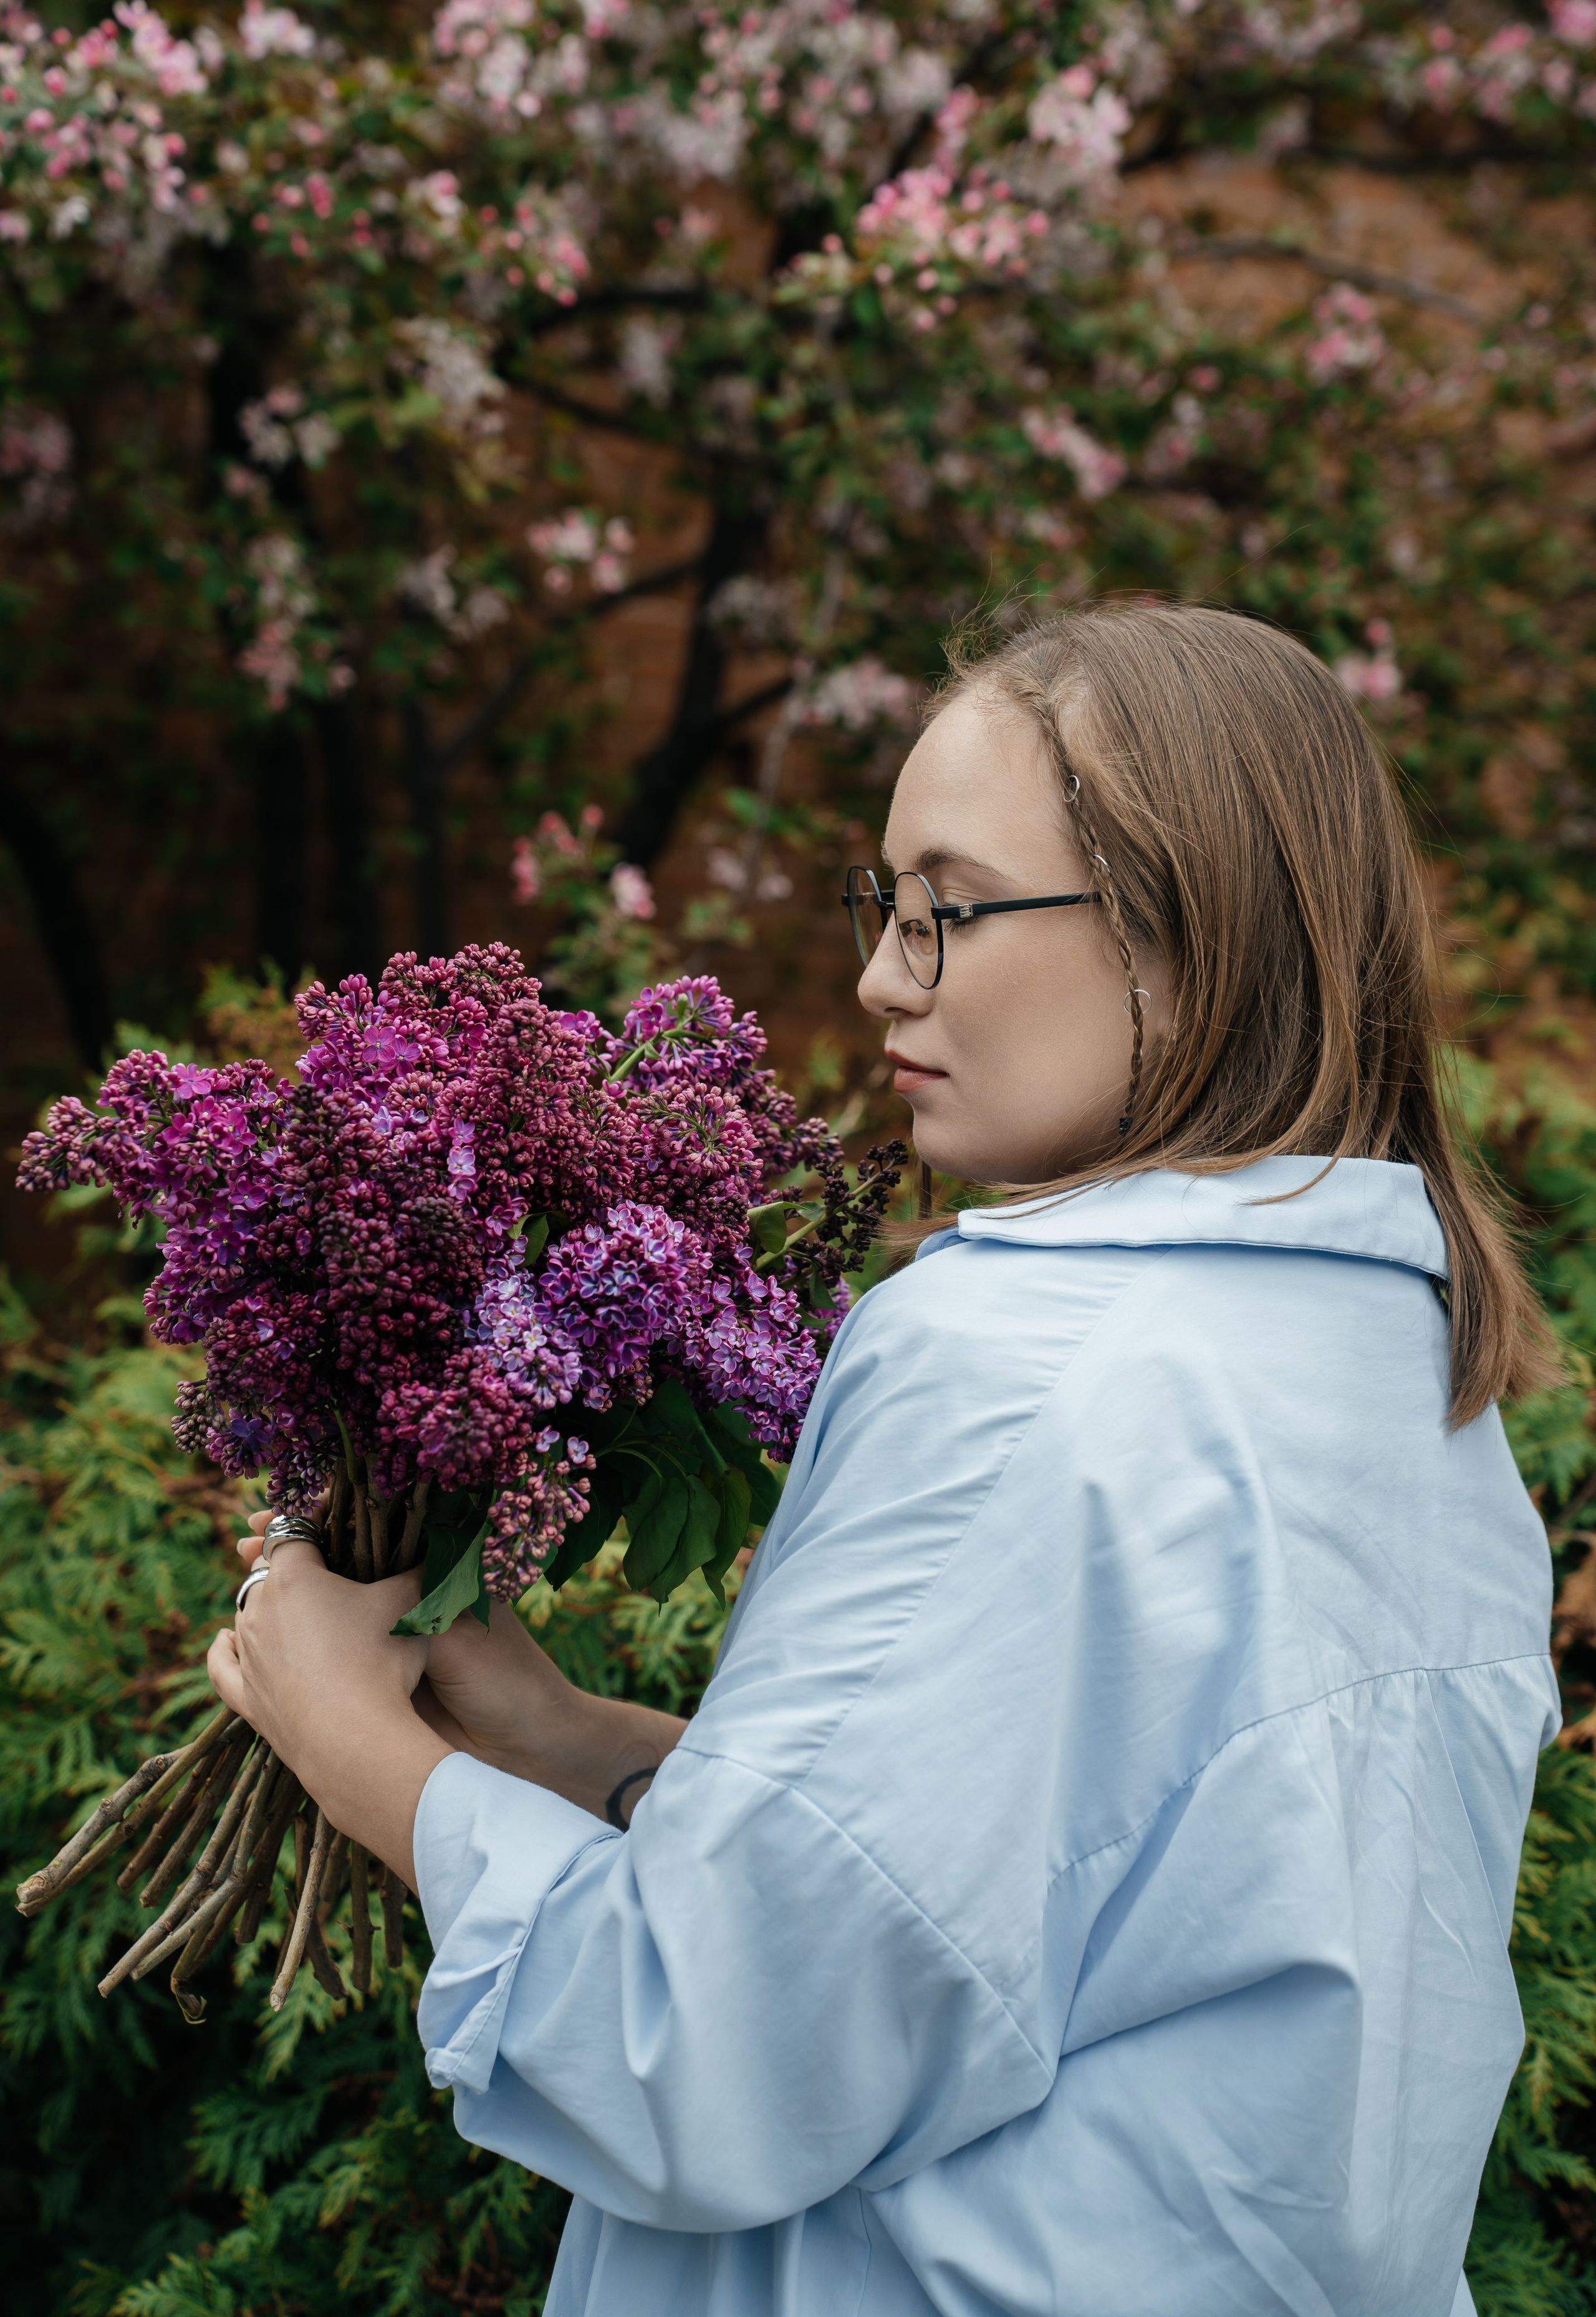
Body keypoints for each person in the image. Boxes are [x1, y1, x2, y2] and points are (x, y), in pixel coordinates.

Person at [213, 602, 1561, 2317]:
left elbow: (700, 2049)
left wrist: (342, 1734)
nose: (878, 978)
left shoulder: (1020, 1366)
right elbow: (1043, 1897)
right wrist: (563, 1738)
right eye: (887, 907)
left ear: (1180, 937)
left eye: (949, 912)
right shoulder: (1407, 1379)